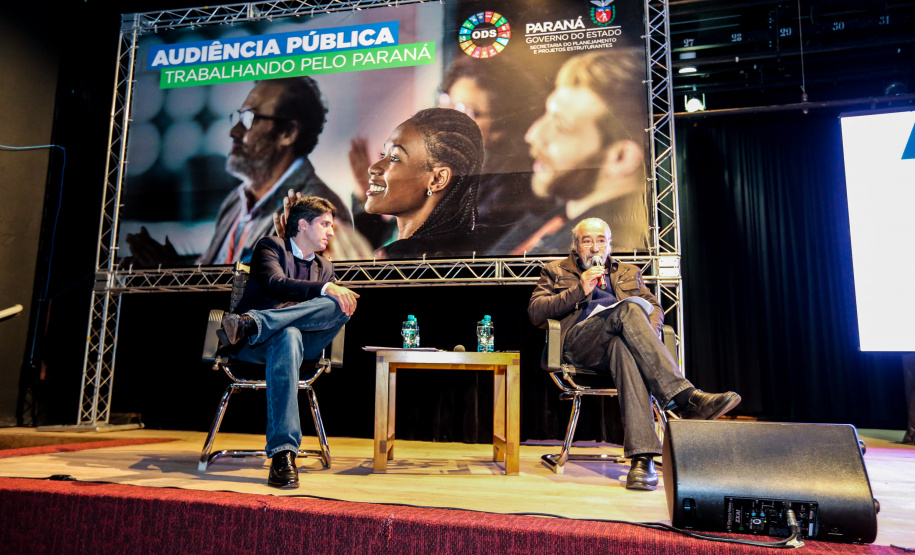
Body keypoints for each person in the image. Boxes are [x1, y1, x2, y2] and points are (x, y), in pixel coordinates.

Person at [528, 217, 740, 491]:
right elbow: (536, 312)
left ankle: (642, 461)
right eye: (587, 241)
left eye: (601, 240)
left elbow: (655, 308)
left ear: (609, 245)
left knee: (624, 347)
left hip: (615, 348)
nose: (594, 247)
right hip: (580, 347)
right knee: (628, 310)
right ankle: (684, 398)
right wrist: (579, 289)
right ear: (576, 246)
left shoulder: (629, 271)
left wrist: (640, 334)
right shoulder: (556, 270)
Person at [126, 77, 352, 266]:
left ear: (288, 133)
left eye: (249, 119)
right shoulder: (236, 200)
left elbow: (301, 291)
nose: (234, 131)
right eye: (237, 117)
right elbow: (221, 272)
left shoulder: (323, 210)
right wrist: (170, 266)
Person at [220, 196, 359, 488]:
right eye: (325, 224)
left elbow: (326, 306)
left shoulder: (325, 266)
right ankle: (283, 454)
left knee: (340, 304)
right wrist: (324, 289)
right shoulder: (270, 247)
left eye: (331, 226)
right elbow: (276, 284)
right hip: (258, 347)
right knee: (289, 334)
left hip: (296, 341)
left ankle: (254, 322)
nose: (331, 232)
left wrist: (328, 289)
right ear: (303, 224)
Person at [492, 50, 651, 256]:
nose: (533, 135)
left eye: (561, 126)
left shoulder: (603, 253)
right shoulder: (560, 220)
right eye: (546, 115)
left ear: (622, 158)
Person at [362, 107, 487, 259]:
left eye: (395, 158)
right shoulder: (467, 251)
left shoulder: (394, 258)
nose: (373, 168)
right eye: (383, 154)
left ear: (437, 179)